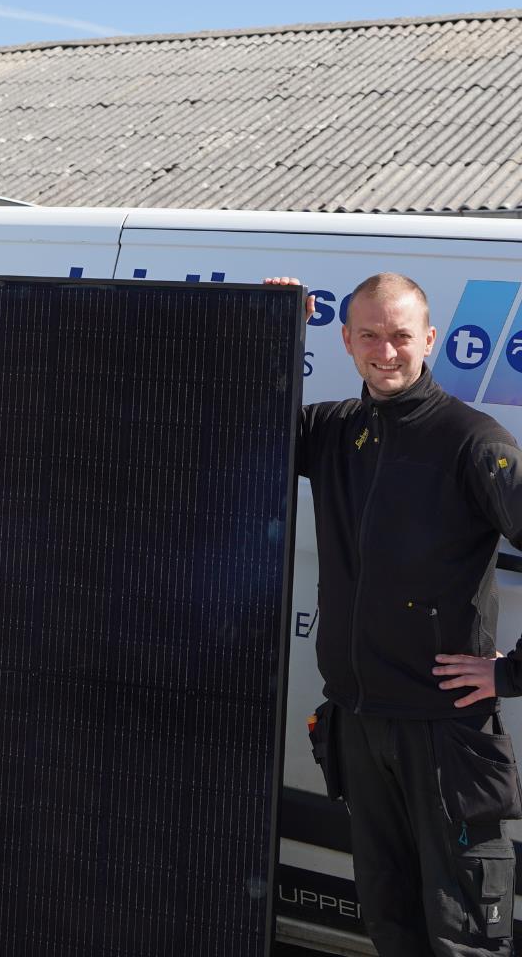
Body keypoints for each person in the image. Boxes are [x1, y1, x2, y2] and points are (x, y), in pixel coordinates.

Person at [269, 271, 522, 956]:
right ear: (346, 341)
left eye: (401, 336)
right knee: (391, 925)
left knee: (462, 938)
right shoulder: (330, 431)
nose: (386, 352)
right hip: (359, 725)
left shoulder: (473, 442)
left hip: (445, 738)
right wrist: (269, 323)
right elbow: (232, 415)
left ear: (430, 339)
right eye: (370, 336)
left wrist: (511, 674)